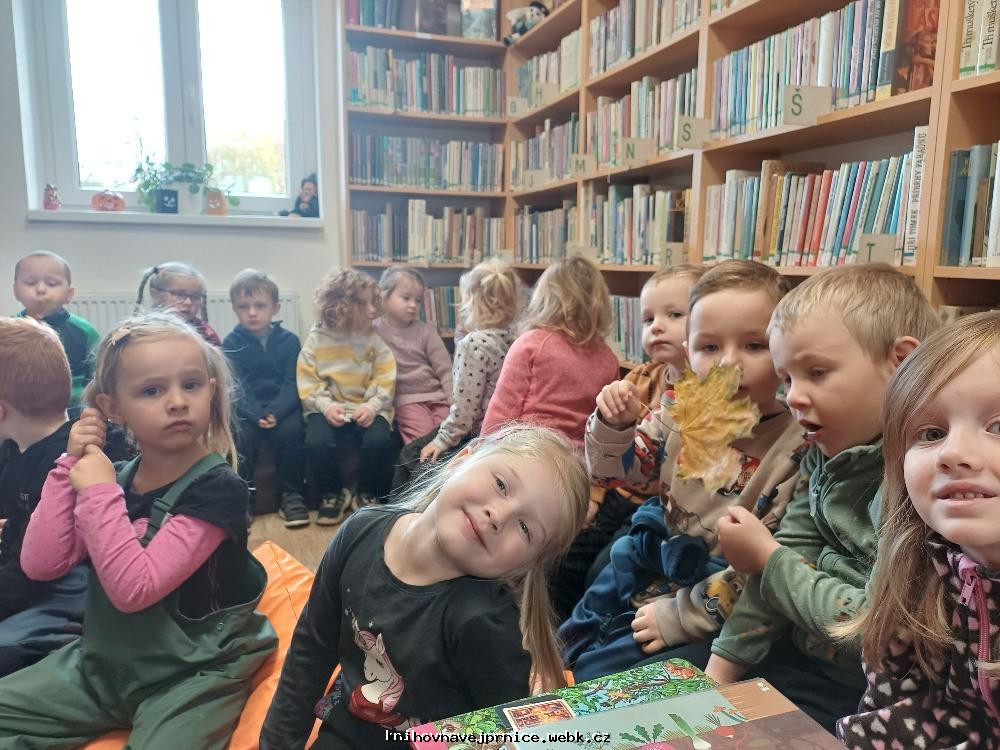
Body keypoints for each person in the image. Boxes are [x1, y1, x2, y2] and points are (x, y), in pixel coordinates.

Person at [0, 312, 276, 748]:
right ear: (113, 409)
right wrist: (69, 465)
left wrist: (99, 493)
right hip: (104, 665)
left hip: (191, 673)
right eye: (152, 390)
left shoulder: (219, 489)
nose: (178, 401)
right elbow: (41, 563)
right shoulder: (117, 479)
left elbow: (134, 590)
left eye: (191, 385)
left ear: (211, 391)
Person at [699, 264, 941, 732]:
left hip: (872, 700)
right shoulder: (822, 455)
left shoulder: (920, 484)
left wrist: (767, 558)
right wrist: (719, 673)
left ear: (902, 364)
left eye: (816, 373)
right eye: (787, 379)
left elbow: (874, 630)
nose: (793, 397)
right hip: (801, 660)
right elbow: (792, 552)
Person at [260, 423, 590, 749]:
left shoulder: (487, 624)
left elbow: (504, 734)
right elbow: (311, 648)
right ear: (463, 458)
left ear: (524, 565)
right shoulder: (359, 530)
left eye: (525, 528)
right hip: (345, 733)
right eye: (501, 484)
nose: (498, 516)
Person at [560, 260, 806, 682]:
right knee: (570, 636)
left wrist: (682, 615)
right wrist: (613, 425)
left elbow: (767, 569)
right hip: (651, 556)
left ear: (786, 350)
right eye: (710, 347)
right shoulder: (678, 409)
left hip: (710, 597)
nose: (729, 364)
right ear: (688, 352)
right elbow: (612, 471)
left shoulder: (797, 446)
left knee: (605, 675)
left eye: (754, 345)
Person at [837, 311, 1000, 747]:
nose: (953, 453)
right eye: (931, 433)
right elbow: (895, 713)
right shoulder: (919, 570)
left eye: (998, 427)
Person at [551, 264, 705, 620]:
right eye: (648, 319)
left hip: (658, 509)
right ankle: (563, 633)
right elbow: (606, 455)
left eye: (674, 314)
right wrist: (593, 495)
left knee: (602, 573)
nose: (656, 327)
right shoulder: (638, 378)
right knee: (563, 557)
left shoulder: (711, 395)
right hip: (617, 494)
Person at [0, 317, 86, 677]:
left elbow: (29, 575)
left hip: (64, 589)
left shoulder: (63, 463)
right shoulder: (13, 446)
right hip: (23, 577)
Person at [392, 258, 520, 489]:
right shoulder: (514, 340)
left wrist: (442, 441)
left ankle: (402, 512)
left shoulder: (473, 344)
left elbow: (465, 412)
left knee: (410, 456)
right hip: (502, 432)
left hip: (476, 435)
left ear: (472, 301)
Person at [481, 255, 619, 447]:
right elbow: (607, 425)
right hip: (579, 461)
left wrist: (481, 454)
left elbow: (501, 412)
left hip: (527, 453)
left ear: (545, 297)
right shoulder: (609, 359)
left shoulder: (531, 344)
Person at [298, 268, 396, 520]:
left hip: (368, 406)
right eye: (364, 304)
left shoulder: (374, 340)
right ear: (341, 305)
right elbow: (308, 381)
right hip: (327, 407)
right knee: (316, 442)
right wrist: (326, 406)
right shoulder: (317, 339)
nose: (372, 310)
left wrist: (372, 406)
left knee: (379, 441)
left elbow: (385, 377)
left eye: (373, 302)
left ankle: (367, 492)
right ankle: (332, 493)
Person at [224, 269, 307, 527]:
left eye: (260, 306)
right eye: (243, 306)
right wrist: (257, 414)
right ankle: (243, 499)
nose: (252, 312)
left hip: (283, 407)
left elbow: (292, 382)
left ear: (275, 308)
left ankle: (292, 495)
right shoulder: (230, 343)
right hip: (248, 409)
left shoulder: (290, 341)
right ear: (234, 309)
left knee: (293, 432)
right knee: (240, 436)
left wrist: (276, 412)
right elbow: (237, 385)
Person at [372, 267, 452, 444]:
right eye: (406, 298)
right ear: (384, 297)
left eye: (418, 300)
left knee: (449, 435)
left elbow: (445, 370)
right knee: (422, 440)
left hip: (437, 396)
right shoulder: (374, 331)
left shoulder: (426, 331)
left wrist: (454, 403)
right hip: (407, 401)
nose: (413, 305)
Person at [12, 250, 99, 411]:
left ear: (69, 294)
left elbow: (98, 376)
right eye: (31, 282)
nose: (41, 289)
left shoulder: (85, 331)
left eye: (52, 284)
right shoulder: (7, 331)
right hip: (21, 411)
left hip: (74, 409)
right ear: (16, 291)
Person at [135, 262, 222, 346]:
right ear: (155, 295)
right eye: (179, 295)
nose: (188, 302)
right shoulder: (143, 333)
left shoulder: (206, 334)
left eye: (195, 297)